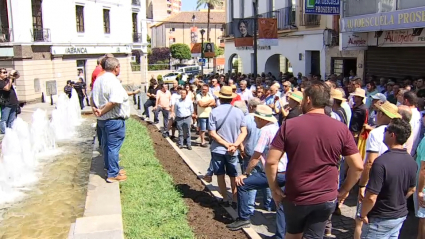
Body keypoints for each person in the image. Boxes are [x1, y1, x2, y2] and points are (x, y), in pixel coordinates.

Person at [265, 81, 364, 239]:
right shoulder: (341, 128)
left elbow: (271, 162)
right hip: (326, 197)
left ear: (309, 99)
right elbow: (358, 166)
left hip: (297, 195)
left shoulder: (289, 125)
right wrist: (344, 190)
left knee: (293, 234)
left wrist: (274, 188)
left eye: (303, 98)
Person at [227, 105, 287, 237]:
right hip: (285, 172)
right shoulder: (277, 128)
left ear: (263, 119)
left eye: (256, 118)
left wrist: (245, 173)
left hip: (274, 172)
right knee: (282, 203)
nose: (254, 121)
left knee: (242, 185)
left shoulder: (266, 130)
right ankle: (281, 235)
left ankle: (243, 219)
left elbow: (256, 155)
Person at [358, 118, 417, 239]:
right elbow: (412, 189)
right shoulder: (411, 161)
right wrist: (397, 198)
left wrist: (362, 214)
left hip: (379, 219)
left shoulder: (381, 162)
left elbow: (371, 197)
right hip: (398, 217)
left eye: (386, 130)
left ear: (392, 135)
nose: (383, 132)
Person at [355, 100, 401, 239]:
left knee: (360, 219)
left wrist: (363, 185)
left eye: (378, 112)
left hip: (374, 179)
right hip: (392, 179)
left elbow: (370, 161)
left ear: (382, 114)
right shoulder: (399, 132)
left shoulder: (376, 133)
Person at [91, 57, 129, 183]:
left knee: (107, 146)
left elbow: (91, 97)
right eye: (119, 67)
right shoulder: (113, 81)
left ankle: (110, 168)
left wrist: (95, 109)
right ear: (116, 67)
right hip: (113, 119)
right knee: (113, 147)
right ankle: (113, 173)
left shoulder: (99, 80)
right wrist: (101, 111)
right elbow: (114, 101)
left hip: (102, 120)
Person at [209, 86, 247, 206]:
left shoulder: (214, 111)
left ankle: (225, 199)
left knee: (220, 175)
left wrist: (226, 144)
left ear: (220, 97)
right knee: (233, 175)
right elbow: (244, 132)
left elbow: (212, 133)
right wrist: (234, 145)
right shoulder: (239, 112)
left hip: (218, 149)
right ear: (231, 99)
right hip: (233, 150)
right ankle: (235, 200)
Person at [0, 69, 19, 134]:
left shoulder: (7, 80)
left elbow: (17, 76)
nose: (5, 74)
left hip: (13, 103)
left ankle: (10, 132)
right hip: (6, 104)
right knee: (4, 120)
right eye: (4, 72)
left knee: (11, 120)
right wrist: (10, 78)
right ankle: (4, 133)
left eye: (6, 72)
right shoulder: (0, 82)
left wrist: (14, 73)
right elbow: (7, 88)